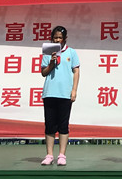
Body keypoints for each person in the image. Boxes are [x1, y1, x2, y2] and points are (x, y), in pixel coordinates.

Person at [40, 25, 80, 166]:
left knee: (63, 125)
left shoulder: (71, 52)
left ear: (65, 38)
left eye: (60, 38)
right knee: (50, 125)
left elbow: (76, 71)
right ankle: (49, 155)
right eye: (55, 38)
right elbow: (44, 73)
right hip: (50, 92)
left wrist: (74, 90)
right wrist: (51, 61)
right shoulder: (47, 53)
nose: (57, 40)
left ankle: (62, 155)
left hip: (64, 94)